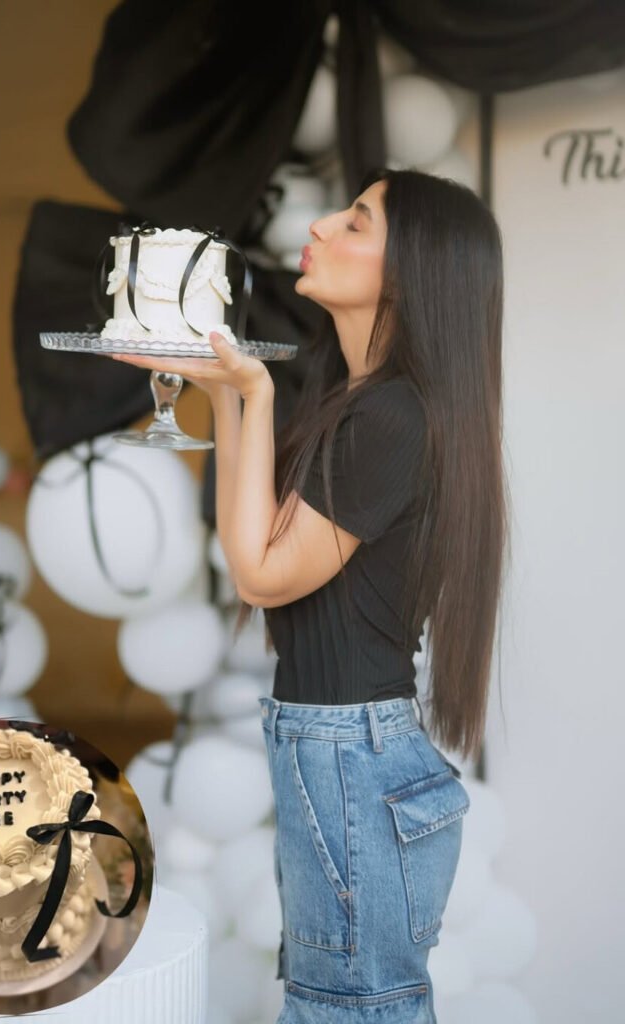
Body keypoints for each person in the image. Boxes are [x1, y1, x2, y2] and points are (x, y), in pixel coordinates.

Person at [110, 166, 509, 1023]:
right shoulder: (369, 405)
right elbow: (255, 558)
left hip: (352, 757)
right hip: (342, 752)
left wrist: (251, 392)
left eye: (356, 223)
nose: (321, 225)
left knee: (346, 1010)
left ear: (408, 275)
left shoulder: (393, 417)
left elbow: (260, 574)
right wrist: (226, 393)